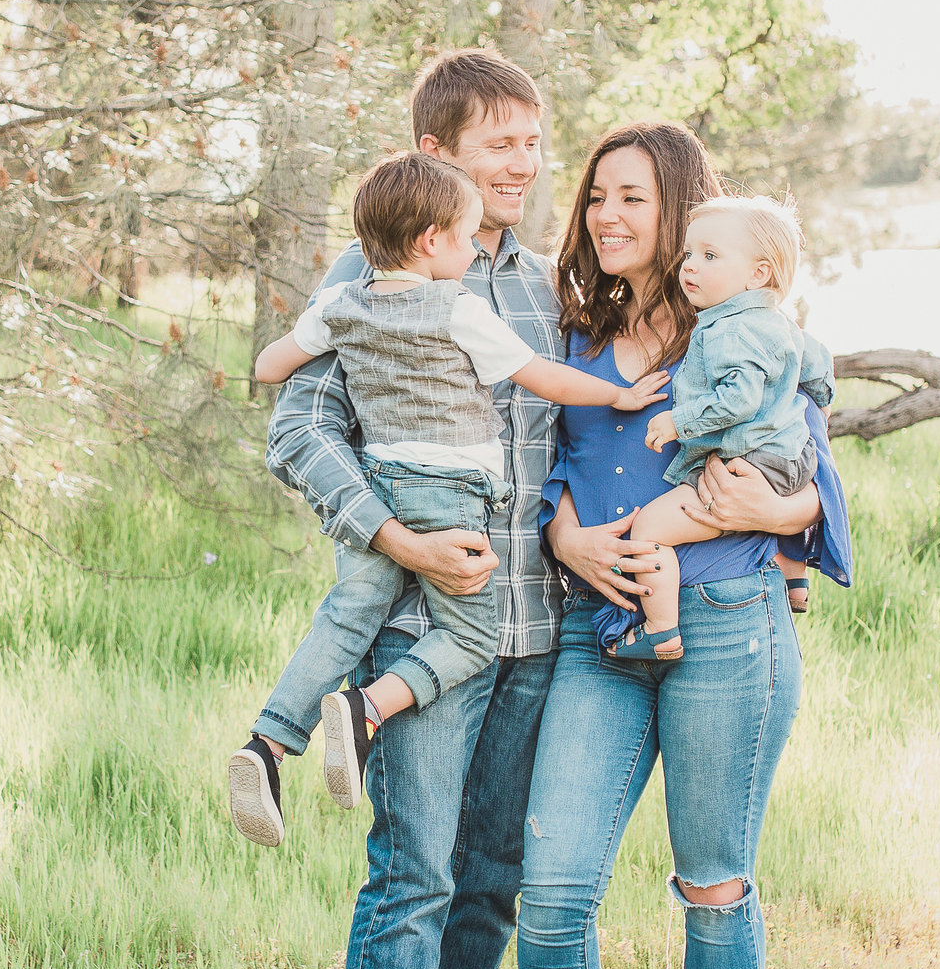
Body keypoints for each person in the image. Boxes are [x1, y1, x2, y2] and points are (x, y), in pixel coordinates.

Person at [267, 58, 822, 969]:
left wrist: (784, 517)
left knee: (495, 882)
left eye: (534, 144)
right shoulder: (384, 272)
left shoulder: (560, 294)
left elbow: (781, 448)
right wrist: (399, 541)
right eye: (497, 145)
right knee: (413, 870)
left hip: (543, 634)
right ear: (433, 150)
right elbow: (301, 426)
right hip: (434, 618)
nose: (525, 165)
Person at [517, 122, 853, 969]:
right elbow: (538, 481)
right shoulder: (568, 342)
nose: (606, 217)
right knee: (554, 888)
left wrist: (782, 514)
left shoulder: (746, 334)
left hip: (724, 629)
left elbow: (815, 488)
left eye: (633, 199)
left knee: (713, 882)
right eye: (595, 198)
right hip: (596, 637)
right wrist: (564, 533)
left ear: (680, 212)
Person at [233, 153, 668, 845]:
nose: (473, 251)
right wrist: (618, 393)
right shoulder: (457, 306)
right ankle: (367, 708)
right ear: (431, 240)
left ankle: (269, 743)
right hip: (449, 498)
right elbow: (541, 377)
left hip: (378, 491)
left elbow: (267, 366)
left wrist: (322, 336)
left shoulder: (343, 305)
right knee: (471, 635)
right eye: (466, 239)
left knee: (347, 614)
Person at [596, 198, 836, 661]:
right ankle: (795, 580)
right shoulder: (780, 322)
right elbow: (820, 364)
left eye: (709, 256)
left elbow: (738, 399)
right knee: (777, 502)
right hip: (791, 455)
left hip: (749, 459)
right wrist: (820, 408)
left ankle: (659, 629)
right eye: (688, 254)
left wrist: (677, 421)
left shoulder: (729, 329)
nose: (689, 266)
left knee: (648, 530)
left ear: (758, 274)